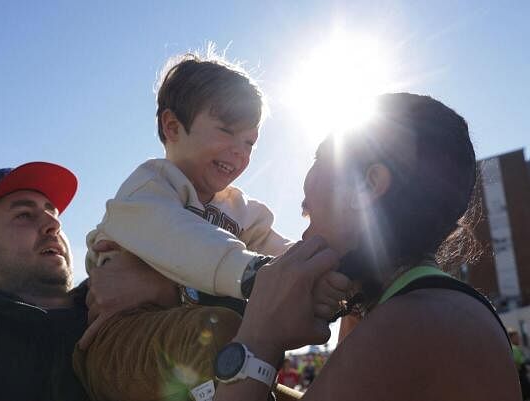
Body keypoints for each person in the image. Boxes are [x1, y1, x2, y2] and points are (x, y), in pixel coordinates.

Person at [210, 93, 522, 401]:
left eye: (321, 157)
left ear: (368, 185)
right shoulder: (431, 309)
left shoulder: (410, 324)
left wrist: (259, 336)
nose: (304, 233)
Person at [75, 52, 304, 401]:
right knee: (222, 333)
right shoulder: (151, 188)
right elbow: (178, 236)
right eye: (227, 131)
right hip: (122, 340)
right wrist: (253, 272)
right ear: (172, 127)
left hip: (194, 344)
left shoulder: (238, 208)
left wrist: (320, 271)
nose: (240, 151)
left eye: (250, 141)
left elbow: (279, 252)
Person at [0, 162, 178, 401]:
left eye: (53, 213)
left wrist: (167, 289)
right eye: (24, 215)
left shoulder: (128, 297)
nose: (54, 224)